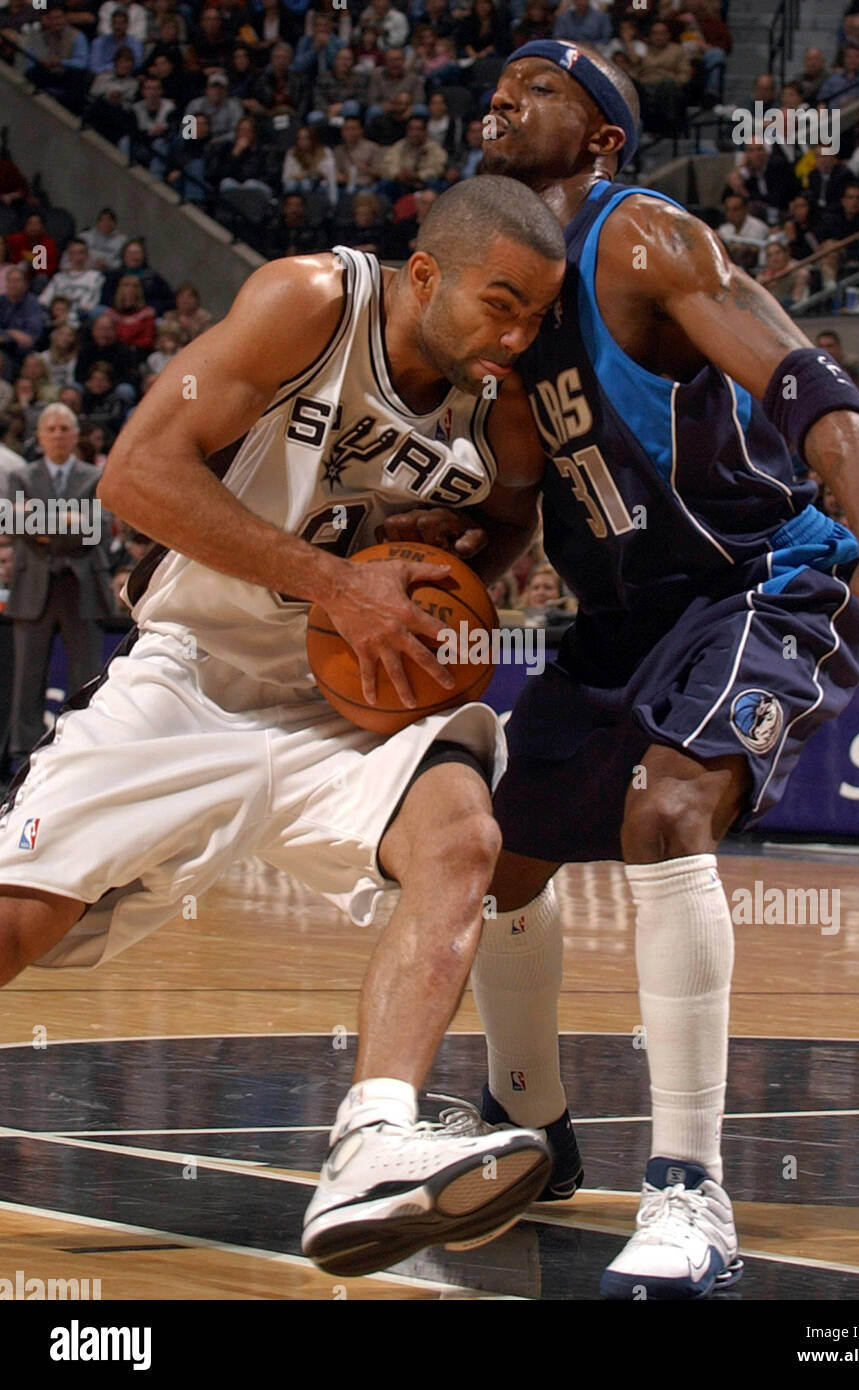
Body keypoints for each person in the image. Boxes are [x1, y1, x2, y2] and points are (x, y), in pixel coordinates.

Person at [387, 38, 859, 1301]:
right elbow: (523, 504)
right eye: (498, 82)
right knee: (491, 843)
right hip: (620, 612)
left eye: (540, 88)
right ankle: (530, 1125)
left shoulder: (641, 238)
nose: (504, 97)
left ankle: (690, 1189)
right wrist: (428, 580)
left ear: (600, 138)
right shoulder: (509, 302)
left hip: (757, 578)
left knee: (668, 806)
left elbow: (811, 378)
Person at [0, 176, 566, 1277]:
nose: (518, 335)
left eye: (537, 315)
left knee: (463, 835)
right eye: (501, 305)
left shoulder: (498, 397)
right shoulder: (312, 301)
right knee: (20, 927)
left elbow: (505, 517)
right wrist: (334, 585)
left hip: (347, 705)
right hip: (191, 681)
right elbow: (135, 475)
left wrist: (437, 594)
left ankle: (371, 1138)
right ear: (423, 275)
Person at [1, 403, 115, 765]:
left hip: (82, 587)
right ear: (39, 435)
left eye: (65, 428)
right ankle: (23, 759)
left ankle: (82, 755)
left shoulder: (95, 476)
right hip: (33, 587)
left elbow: (96, 528)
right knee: (26, 681)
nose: (58, 435)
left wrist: (41, 523)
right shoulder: (21, 477)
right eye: (50, 428)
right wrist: (66, 521)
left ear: (76, 434)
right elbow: (12, 524)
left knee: (86, 680)